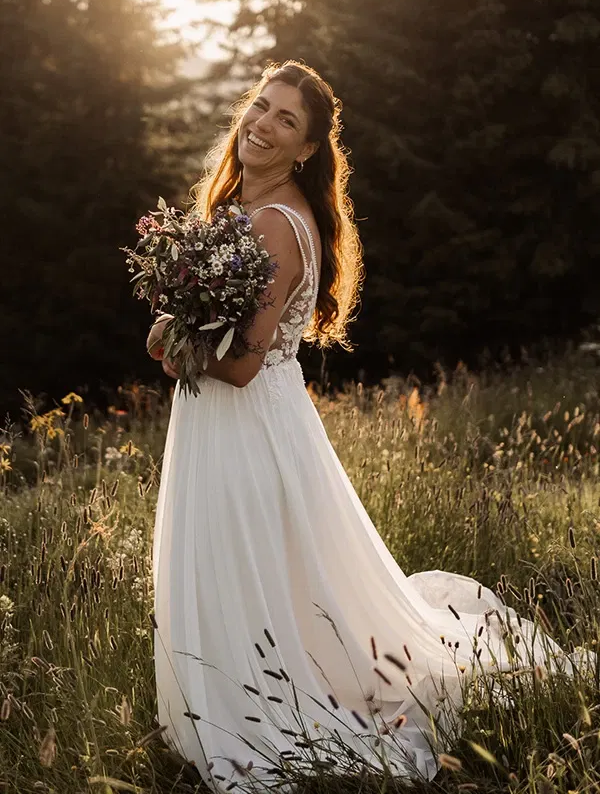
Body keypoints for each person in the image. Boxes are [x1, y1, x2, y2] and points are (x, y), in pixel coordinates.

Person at [148, 61, 586, 794]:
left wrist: (170, 342)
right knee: (263, 569)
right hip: (234, 423)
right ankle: (235, 685)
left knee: (250, 567)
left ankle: (259, 704)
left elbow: (243, 364)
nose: (263, 124)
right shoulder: (241, 209)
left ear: (307, 149)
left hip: (248, 426)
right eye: (261, 106)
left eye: (286, 120)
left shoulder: (276, 224)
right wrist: (180, 332)